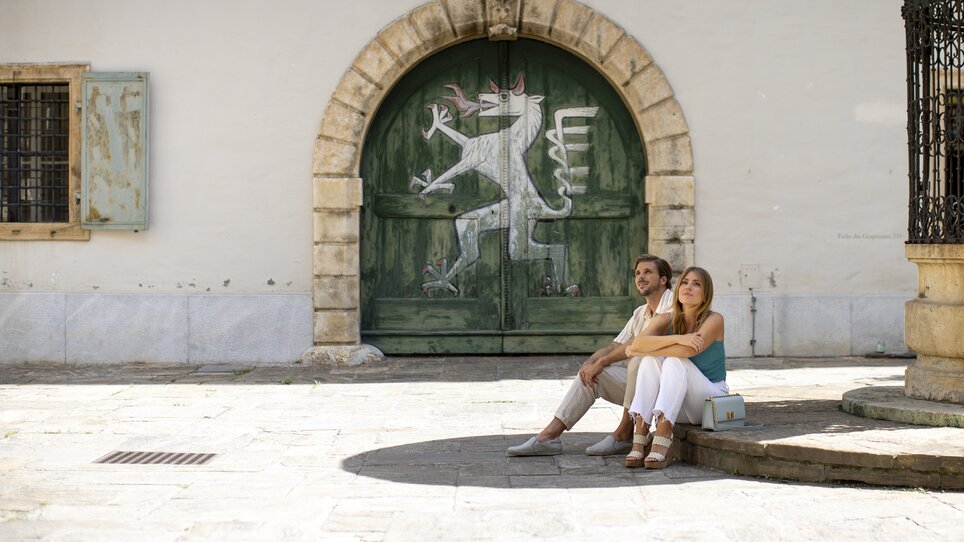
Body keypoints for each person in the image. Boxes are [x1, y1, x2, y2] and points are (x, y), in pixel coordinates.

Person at [506, 254, 674, 457]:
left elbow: (639, 344)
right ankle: (548, 437)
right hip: (644, 389)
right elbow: (615, 345)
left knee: (638, 359)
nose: (640, 277)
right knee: (592, 374)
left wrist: (601, 361)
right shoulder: (641, 313)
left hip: (670, 390)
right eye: (637, 273)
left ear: (663, 279)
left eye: (648, 272)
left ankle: (624, 433)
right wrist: (590, 362)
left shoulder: (673, 304)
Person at [623, 266, 728, 469]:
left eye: (696, 284)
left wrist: (648, 348)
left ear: (706, 294)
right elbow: (635, 344)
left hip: (709, 403)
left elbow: (687, 353)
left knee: (673, 361)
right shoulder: (666, 318)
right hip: (675, 405)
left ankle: (663, 435)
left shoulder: (714, 319)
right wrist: (680, 338)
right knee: (650, 361)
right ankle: (640, 434)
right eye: (685, 282)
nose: (688, 287)